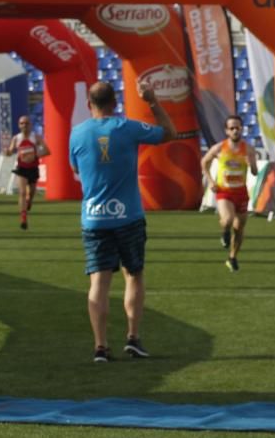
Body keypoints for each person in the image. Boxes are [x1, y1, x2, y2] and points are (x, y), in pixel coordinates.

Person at [69, 80, 176, 363]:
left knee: (99, 283)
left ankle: (100, 347)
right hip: (128, 215)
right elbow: (169, 133)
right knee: (133, 274)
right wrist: (152, 101)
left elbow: (75, 168)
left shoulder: (77, 134)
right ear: (115, 103)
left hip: (94, 218)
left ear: (89, 105)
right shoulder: (127, 127)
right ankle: (133, 337)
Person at [201, 115, 259, 272]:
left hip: (241, 192)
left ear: (242, 129)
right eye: (232, 128)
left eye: (237, 127)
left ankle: (232, 257)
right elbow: (204, 162)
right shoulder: (219, 148)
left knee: (239, 228)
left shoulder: (248, 149)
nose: (235, 131)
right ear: (227, 131)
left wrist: (251, 164)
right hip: (224, 191)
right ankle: (224, 232)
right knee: (227, 220)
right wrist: (211, 181)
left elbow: (254, 172)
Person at [3, 115, 50, 230]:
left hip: (33, 168)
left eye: (26, 123)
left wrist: (35, 155)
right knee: (22, 193)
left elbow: (47, 151)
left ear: (31, 125)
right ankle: (23, 218)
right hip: (22, 168)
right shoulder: (16, 138)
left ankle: (29, 202)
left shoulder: (36, 137)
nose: (24, 125)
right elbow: (10, 151)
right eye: (22, 123)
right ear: (19, 125)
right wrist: (7, 152)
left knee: (31, 193)